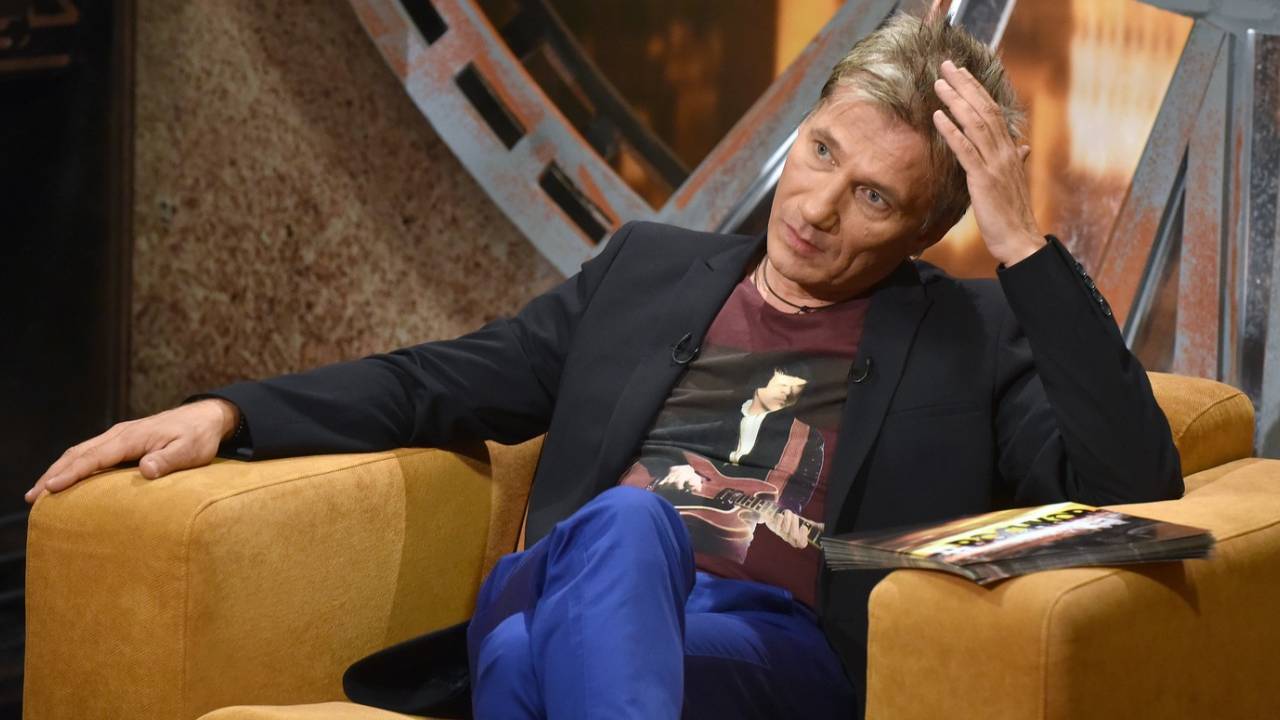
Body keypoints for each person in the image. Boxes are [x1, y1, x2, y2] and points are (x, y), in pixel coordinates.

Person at [26, 13, 1182, 720]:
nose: (815, 207)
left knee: (524, 658)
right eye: (819, 151)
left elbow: (1132, 484)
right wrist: (231, 413)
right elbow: (445, 378)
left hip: (770, 651)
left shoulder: (977, 335)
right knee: (626, 529)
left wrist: (1023, 248)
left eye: (872, 196)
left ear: (926, 227)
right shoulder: (648, 272)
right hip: (577, 580)